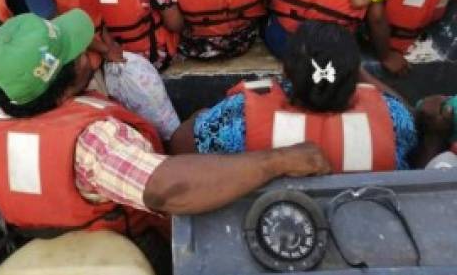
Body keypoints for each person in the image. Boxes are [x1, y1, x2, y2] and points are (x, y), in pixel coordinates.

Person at [0, 10, 330, 275]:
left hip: (30, 239)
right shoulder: (93, 142)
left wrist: (11, 69)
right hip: (117, 247)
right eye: (78, 56)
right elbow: (168, 188)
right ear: (67, 85)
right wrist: (275, 162)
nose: (89, 56)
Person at [170, 21, 418, 172]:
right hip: (356, 217)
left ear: (286, 71)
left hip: (267, 213)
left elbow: (179, 144)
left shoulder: (238, 115)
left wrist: (201, 117)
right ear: (354, 75)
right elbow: (412, 120)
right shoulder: (394, 118)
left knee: (201, 116)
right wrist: (357, 71)